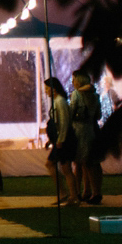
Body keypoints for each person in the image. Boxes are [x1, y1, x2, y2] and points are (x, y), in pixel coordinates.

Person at [43, 76, 78, 205]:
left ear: (53, 89)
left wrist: (60, 139)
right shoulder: (58, 101)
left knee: (63, 167)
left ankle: (71, 196)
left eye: (47, 88)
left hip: (64, 140)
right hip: (60, 139)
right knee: (62, 167)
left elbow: (63, 122)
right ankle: (68, 194)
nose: (46, 91)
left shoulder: (60, 102)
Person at [71, 70, 104, 204]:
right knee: (90, 162)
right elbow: (98, 115)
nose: (72, 82)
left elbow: (71, 111)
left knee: (80, 162)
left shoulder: (76, 94)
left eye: (74, 79)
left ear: (79, 81)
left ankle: (80, 192)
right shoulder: (95, 95)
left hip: (78, 130)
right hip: (91, 129)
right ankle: (90, 191)